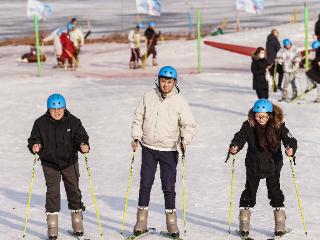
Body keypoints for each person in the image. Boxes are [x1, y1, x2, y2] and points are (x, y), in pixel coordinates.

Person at [131, 66, 196, 238]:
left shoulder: (180, 101)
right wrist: (137, 137)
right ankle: (141, 221)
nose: (165, 84)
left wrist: (185, 140)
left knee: (169, 187)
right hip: (149, 148)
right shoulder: (148, 96)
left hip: (169, 150)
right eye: (163, 81)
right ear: (158, 80)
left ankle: (171, 223)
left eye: (169, 81)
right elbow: (138, 118)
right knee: (145, 184)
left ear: (174, 82)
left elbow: (188, 125)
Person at [229, 99, 297, 238]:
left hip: (273, 165)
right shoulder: (248, 125)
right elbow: (240, 137)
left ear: (270, 115)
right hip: (254, 165)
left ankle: (280, 225)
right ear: (253, 114)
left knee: (275, 191)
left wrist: (290, 148)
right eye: (258, 115)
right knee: (249, 191)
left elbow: (290, 139)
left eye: (264, 116)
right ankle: (244, 225)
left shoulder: (278, 125)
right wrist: (235, 145)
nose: (261, 119)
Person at [27, 94, 90, 240]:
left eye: (59, 109)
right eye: (53, 109)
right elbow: (34, 138)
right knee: (52, 193)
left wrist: (83, 145)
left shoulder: (73, 122)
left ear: (64, 108)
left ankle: (77, 223)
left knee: (73, 190)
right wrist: (35, 145)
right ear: (48, 110)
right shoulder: (40, 123)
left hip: (70, 162)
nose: (57, 112)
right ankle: (53, 227)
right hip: (50, 164)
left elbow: (81, 136)